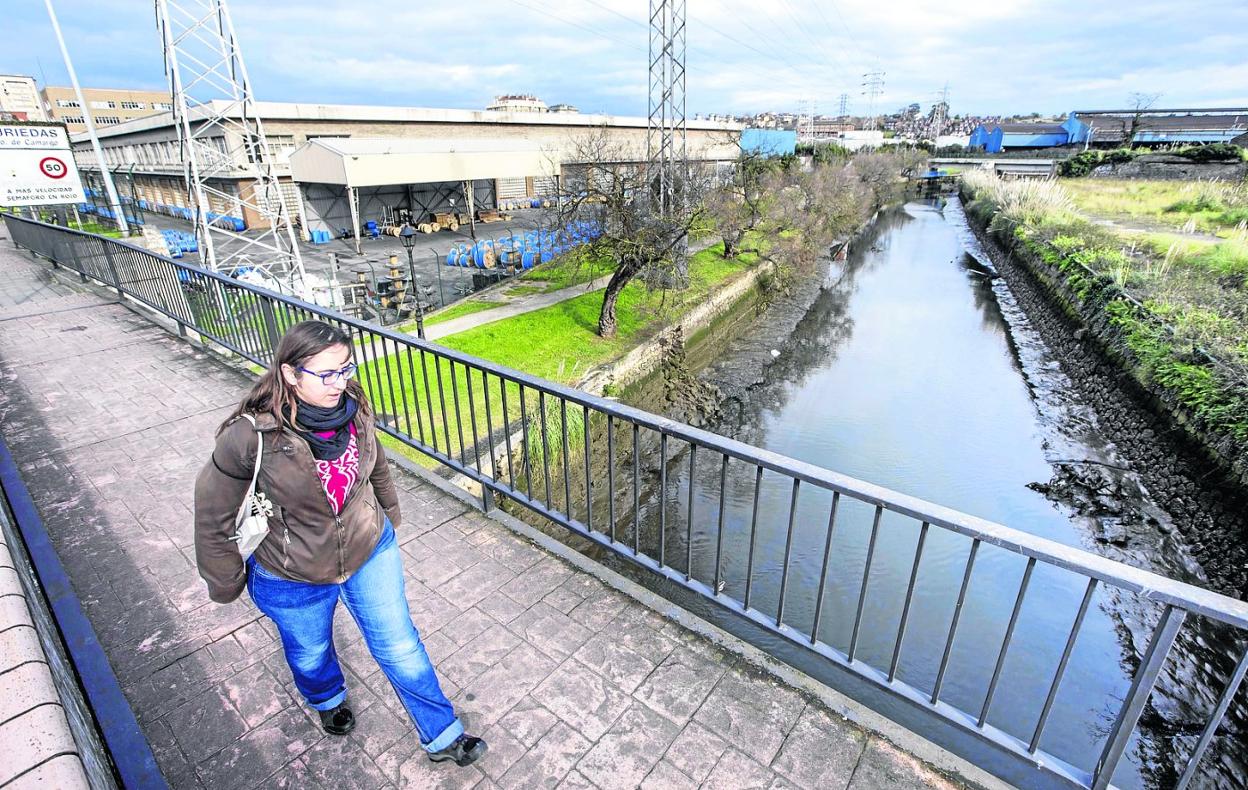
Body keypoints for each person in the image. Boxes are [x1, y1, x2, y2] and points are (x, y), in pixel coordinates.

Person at [193, 320, 486, 767]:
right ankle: (327, 698)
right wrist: (225, 582)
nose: (340, 382)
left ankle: (442, 734)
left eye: (345, 369)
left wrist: (389, 511)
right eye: (326, 374)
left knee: (400, 644)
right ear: (290, 374)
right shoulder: (251, 436)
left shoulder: (353, 405)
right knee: (310, 652)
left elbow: (376, 465)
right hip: (294, 573)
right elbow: (212, 514)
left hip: (369, 550)